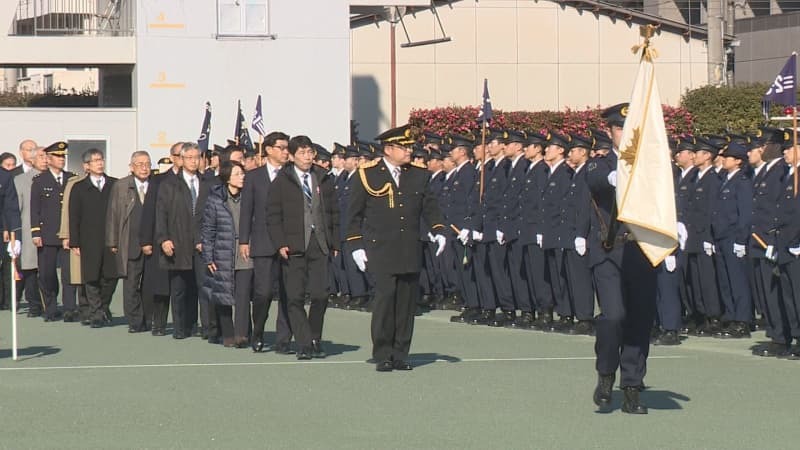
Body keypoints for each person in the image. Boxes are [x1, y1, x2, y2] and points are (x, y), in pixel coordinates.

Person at [345, 124, 447, 372]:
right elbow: (353, 214)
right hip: (380, 248)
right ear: (389, 149)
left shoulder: (419, 174)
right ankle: (383, 352)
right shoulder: (368, 173)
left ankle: (401, 352)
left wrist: (438, 229)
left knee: (406, 303)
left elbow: (430, 206)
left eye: (411, 147)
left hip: (409, 247)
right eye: (405, 147)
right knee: (385, 299)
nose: (410, 151)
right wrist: (355, 244)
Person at [587, 103, 658, 414]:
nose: (624, 135)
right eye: (619, 129)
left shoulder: (652, 166)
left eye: (630, 130)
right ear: (610, 132)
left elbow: (666, 196)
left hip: (641, 250)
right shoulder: (601, 165)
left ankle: (631, 386)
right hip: (610, 252)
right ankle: (606, 373)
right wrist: (618, 176)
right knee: (613, 316)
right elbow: (595, 182)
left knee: (639, 321)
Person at [267, 135, 338, 360]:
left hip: (320, 243)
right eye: (302, 153)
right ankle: (304, 343)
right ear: (292, 155)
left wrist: (335, 241)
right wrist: (280, 243)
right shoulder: (282, 180)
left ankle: (315, 336)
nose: (307, 158)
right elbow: (273, 215)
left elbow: (334, 212)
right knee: (295, 297)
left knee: (320, 294)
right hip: (294, 245)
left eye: (310, 153)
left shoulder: (323, 177)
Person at [239, 131, 293, 353]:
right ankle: (258, 331)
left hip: (289, 241)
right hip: (262, 241)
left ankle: (284, 338)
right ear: (269, 149)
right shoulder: (254, 176)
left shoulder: (292, 174)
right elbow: (246, 210)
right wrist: (244, 240)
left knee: (288, 292)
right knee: (263, 292)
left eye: (286, 147)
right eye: (281, 147)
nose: (285, 151)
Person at [156, 142, 212, 339]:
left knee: (204, 287)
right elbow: (161, 214)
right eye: (189, 158)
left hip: (202, 244)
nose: (194, 162)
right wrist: (164, 239)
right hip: (178, 242)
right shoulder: (169, 184)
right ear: (181, 159)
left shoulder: (207, 183)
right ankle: (181, 328)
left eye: (197, 158)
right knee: (179, 289)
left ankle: (206, 328)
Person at [202, 161, 252, 347]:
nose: (242, 177)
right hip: (222, 250)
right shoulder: (216, 199)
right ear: (227, 177)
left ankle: (241, 334)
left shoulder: (248, 196)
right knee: (223, 294)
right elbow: (208, 230)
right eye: (238, 174)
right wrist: (208, 256)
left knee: (243, 294)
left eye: (243, 173)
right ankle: (228, 334)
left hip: (245, 250)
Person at [69, 148, 118, 328]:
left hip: (111, 238)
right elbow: (73, 215)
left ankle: (103, 306)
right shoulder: (79, 187)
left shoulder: (114, 184)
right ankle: (96, 313)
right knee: (91, 277)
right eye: (95, 160)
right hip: (89, 239)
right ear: (86, 166)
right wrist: (74, 241)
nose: (99, 163)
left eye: (101, 159)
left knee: (111, 277)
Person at [106, 151, 152, 332]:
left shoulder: (156, 184)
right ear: (131, 166)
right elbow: (113, 214)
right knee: (131, 284)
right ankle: (134, 321)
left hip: (152, 245)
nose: (144, 167)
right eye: (139, 164)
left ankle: (149, 319)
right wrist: (113, 241)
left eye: (147, 163)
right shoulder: (122, 185)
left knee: (149, 285)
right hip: (129, 243)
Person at [139, 145, 183, 335]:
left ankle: (184, 323)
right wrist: (146, 240)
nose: (185, 159)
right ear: (172, 158)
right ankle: (159, 322)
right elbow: (149, 212)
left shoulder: (198, 180)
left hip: (186, 240)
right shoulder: (159, 180)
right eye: (180, 156)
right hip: (162, 239)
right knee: (161, 285)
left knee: (183, 286)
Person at [31, 141, 76, 322]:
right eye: (57, 156)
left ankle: (70, 308)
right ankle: (50, 307)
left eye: (63, 156)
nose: (61, 160)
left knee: (68, 273)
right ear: (48, 159)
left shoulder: (72, 178)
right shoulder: (40, 181)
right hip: (47, 234)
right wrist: (36, 232)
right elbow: (35, 209)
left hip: (67, 235)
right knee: (47, 274)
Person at [14, 146, 47, 318]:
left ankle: (49, 303)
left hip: (51, 231)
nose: (45, 159)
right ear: (32, 160)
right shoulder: (21, 180)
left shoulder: (56, 178)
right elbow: (16, 208)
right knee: (30, 269)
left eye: (47, 156)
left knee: (48, 270)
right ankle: (34, 304)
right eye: (41, 156)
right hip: (28, 230)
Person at [0, 152, 17, 310]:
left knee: (6, 264)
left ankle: (7, 301)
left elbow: (9, 206)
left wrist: (9, 228)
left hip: (2, 229)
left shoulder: (5, 177)